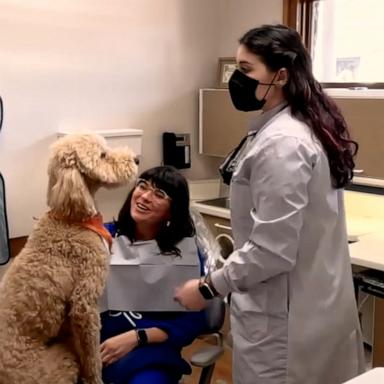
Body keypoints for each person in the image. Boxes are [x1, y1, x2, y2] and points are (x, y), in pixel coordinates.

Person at [175, 24, 365, 384]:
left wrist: (206, 287)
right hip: (307, 307)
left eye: (247, 70)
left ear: (281, 75)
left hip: (285, 322)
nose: (237, 79)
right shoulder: (295, 127)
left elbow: (271, 251)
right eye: (237, 68)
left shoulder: (283, 143)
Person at [100, 166, 208, 384]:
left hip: (149, 353)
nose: (145, 196)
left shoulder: (183, 255)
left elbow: (191, 322)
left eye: (159, 194)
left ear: (171, 211)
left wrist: (136, 337)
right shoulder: (104, 237)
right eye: (142, 186)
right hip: (95, 344)